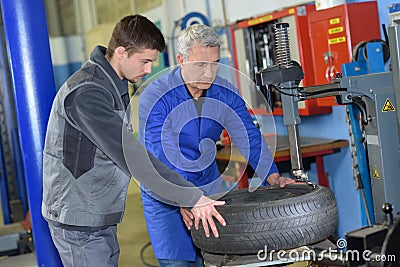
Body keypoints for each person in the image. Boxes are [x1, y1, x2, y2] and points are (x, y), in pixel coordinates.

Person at [41, 15, 226, 267]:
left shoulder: (112, 84)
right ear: (120, 52)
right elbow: (132, 156)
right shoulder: (88, 92)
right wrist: (191, 197)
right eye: (145, 61)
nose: (149, 69)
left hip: (96, 212)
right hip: (79, 219)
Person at [138, 24, 295, 267]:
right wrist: (184, 197)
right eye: (201, 64)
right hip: (165, 194)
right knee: (178, 262)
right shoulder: (156, 96)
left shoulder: (224, 92)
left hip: (207, 185)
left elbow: (248, 136)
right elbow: (159, 155)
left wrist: (272, 175)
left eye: (215, 63)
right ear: (181, 60)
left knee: (220, 258)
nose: (209, 73)